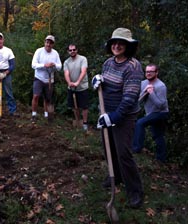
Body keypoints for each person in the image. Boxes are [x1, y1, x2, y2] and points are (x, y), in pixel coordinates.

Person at [92, 27, 144, 208]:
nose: (117, 45)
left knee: (123, 153)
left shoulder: (133, 67)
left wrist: (114, 116)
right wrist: (99, 81)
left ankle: (135, 190)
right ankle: (116, 176)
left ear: (128, 46)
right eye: (114, 42)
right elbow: (107, 87)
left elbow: (130, 97)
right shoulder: (108, 63)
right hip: (107, 113)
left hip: (124, 116)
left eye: (121, 43)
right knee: (109, 150)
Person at [133, 64, 169, 162]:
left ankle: (136, 148)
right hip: (151, 113)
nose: (148, 73)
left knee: (140, 123)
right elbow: (138, 100)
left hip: (161, 113)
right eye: (147, 71)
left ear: (156, 73)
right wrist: (145, 91)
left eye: (151, 71)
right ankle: (161, 160)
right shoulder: (143, 83)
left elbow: (160, 105)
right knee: (157, 136)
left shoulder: (160, 86)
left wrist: (151, 93)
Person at [31, 35, 62, 122]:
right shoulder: (39, 51)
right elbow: (33, 65)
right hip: (39, 78)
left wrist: (54, 65)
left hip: (49, 79)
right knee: (36, 96)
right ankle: (34, 114)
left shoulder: (55, 53)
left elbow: (60, 66)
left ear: (53, 44)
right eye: (47, 42)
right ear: (45, 42)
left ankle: (47, 115)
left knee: (48, 98)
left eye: (51, 43)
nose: (48, 44)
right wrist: (44, 65)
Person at [63, 44, 89, 131]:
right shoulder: (66, 62)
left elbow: (83, 71)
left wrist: (78, 82)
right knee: (74, 106)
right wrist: (69, 82)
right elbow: (66, 73)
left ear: (77, 50)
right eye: (70, 50)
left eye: (74, 50)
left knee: (84, 106)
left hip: (82, 87)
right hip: (72, 88)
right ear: (68, 51)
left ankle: (85, 123)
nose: (72, 51)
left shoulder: (83, 59)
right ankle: (78, 121)